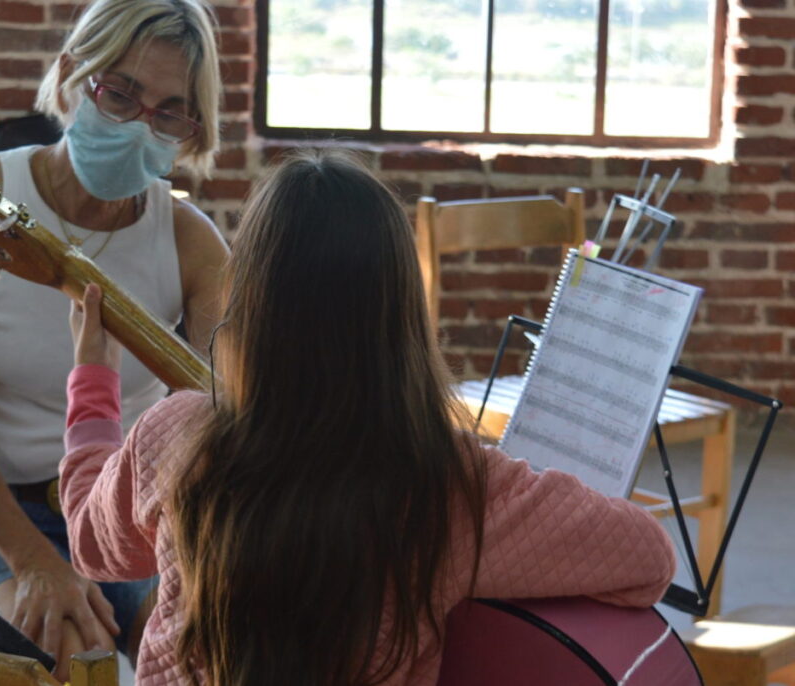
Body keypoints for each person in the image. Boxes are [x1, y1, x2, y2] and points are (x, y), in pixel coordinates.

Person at [58, 150, 678, 685]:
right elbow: (647, 558)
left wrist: (93, 381)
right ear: (401, 317)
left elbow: (92, 545)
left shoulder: (173, 435)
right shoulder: (454, 484)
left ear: (247, 299)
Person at [0, 0, 228, 678]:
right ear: (74, 75)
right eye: (122, 92)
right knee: (71, 650)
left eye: (168, 111)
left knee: (218, 642)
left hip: (126, 515)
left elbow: (230, 406)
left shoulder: (192, 243)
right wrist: (37, 563)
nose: (139, 123)